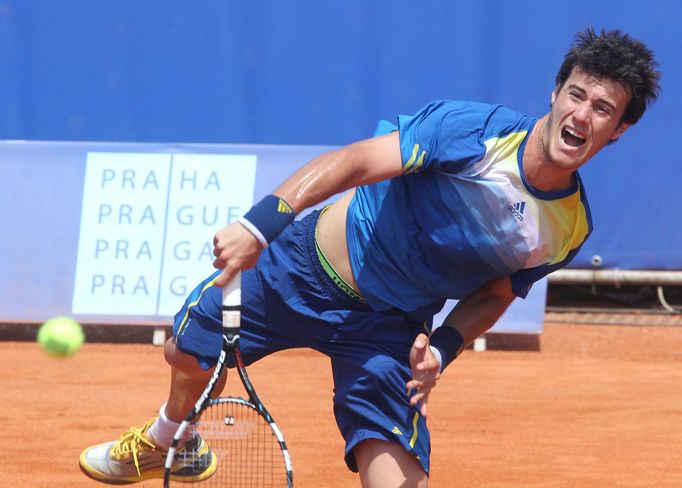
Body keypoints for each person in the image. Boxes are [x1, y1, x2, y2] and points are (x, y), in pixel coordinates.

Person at [80, 28, 660, 487]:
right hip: (301, 270)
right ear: (555, 94)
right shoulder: (472, 132)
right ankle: (171, 444)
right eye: (577, 95)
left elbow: (497, 291)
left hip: (387, 329)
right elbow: (356, 162)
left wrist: (443, 347)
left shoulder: (568, 228)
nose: (582, 115)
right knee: (187, 351)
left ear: (620, 131)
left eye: (603, 109)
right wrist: (261, 225)